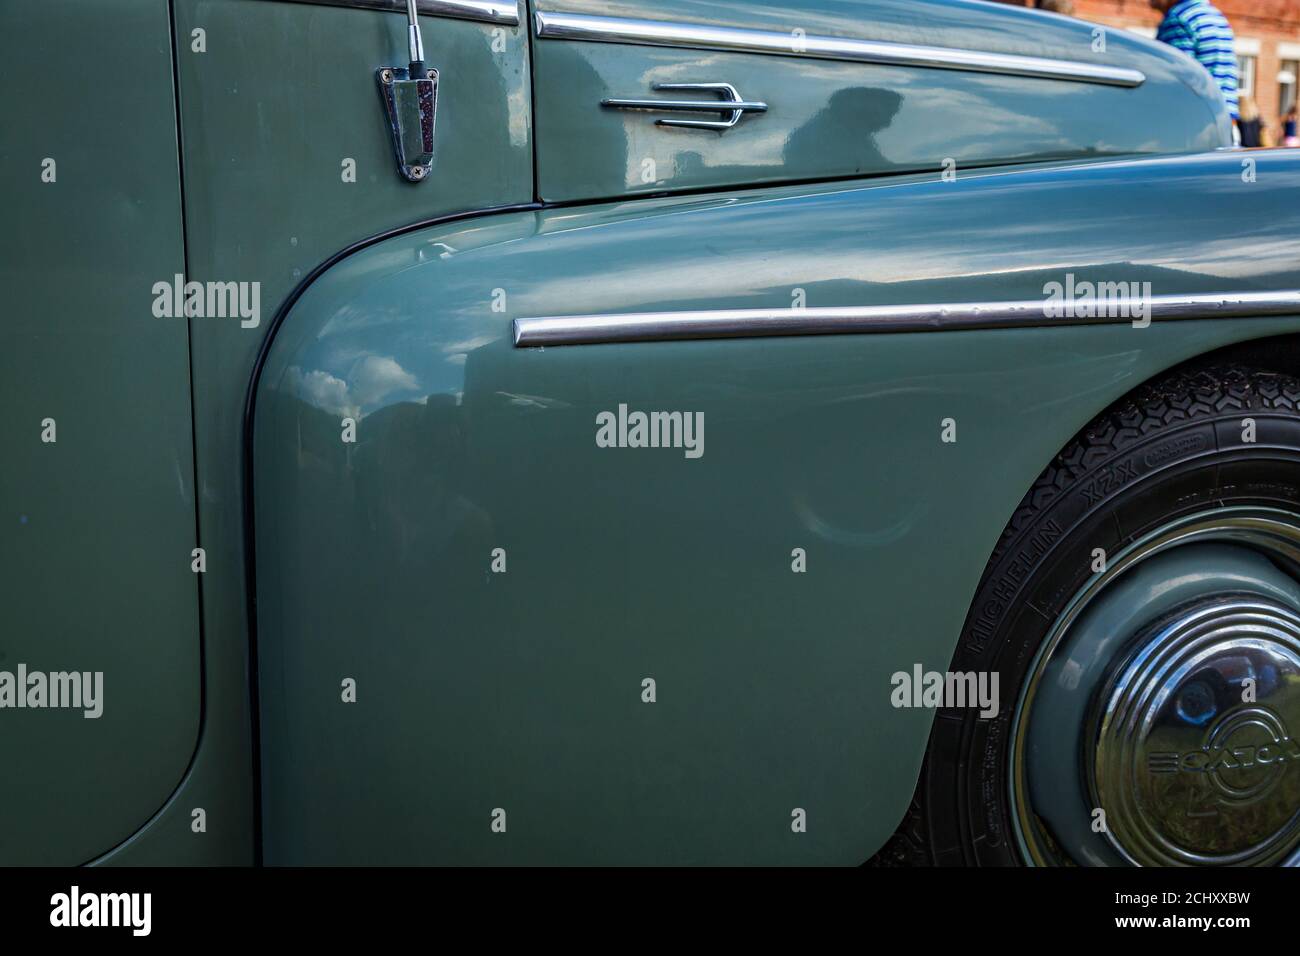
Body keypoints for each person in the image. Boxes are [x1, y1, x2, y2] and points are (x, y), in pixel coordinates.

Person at [1151, 0, 1239, 127]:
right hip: (1225, 121)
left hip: (1194, 124)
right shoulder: (1217, 17)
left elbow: (1177, 81)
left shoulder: (1178, 18)